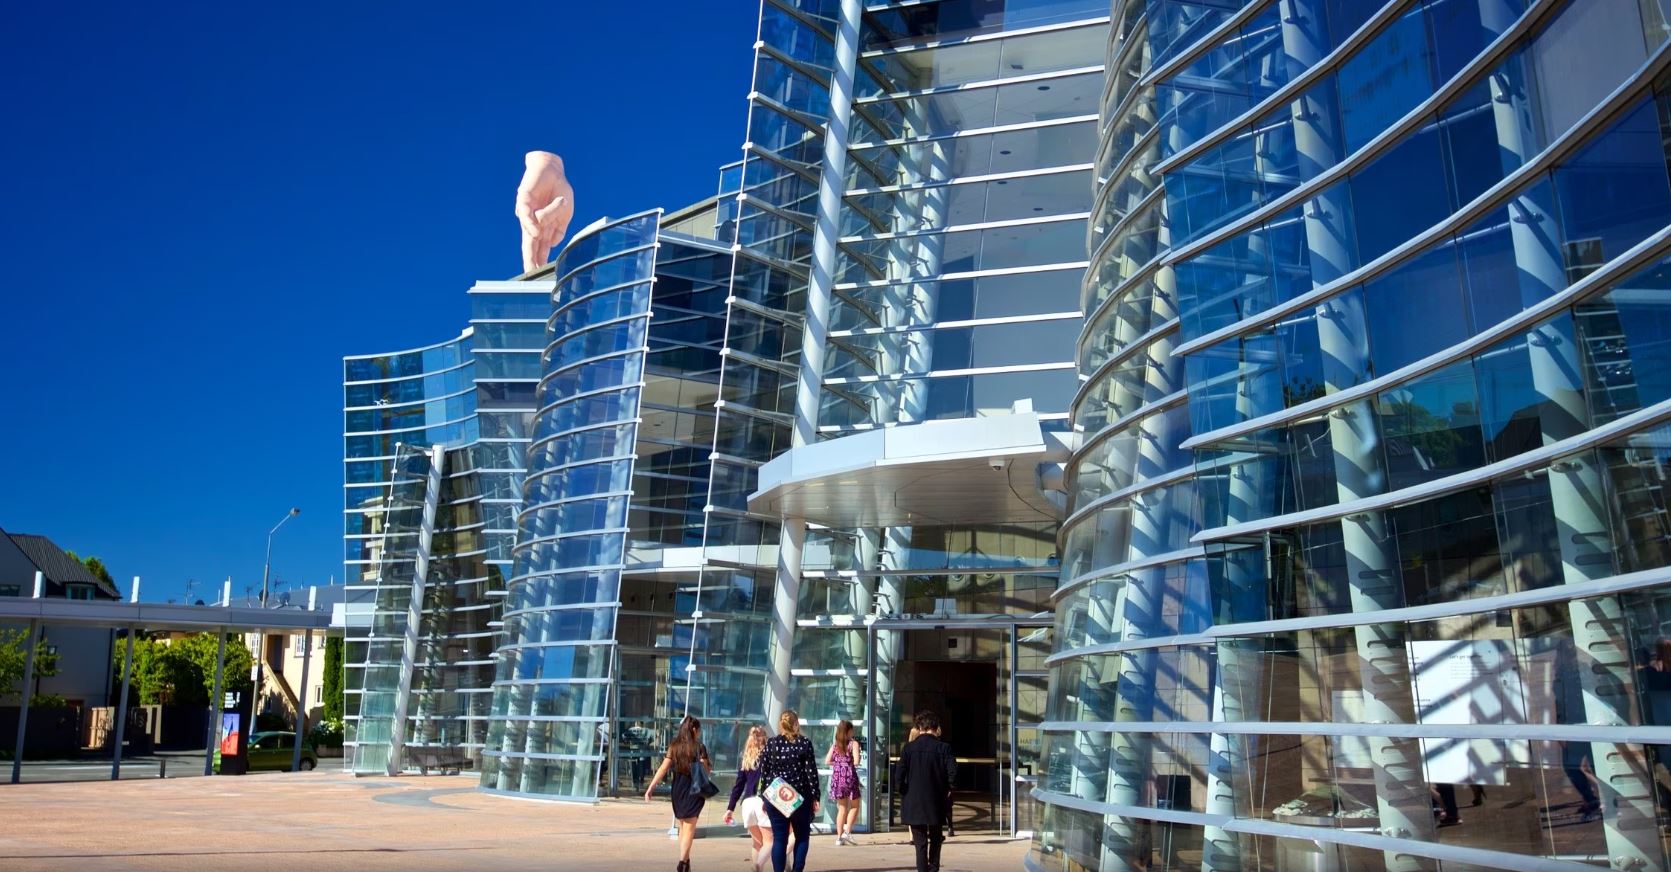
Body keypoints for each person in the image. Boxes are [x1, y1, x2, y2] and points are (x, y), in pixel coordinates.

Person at [644, 715, 712, 872]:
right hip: (694, 789)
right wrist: (705, 764)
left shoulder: (674, 746)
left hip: (678, 789)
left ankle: (686, 862)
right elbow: (706, 771)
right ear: (693, 729)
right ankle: (682, 863)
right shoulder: (699, 747)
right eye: (699, 730)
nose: (699, 733)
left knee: (683, 826)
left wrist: (651, 787)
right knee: (689, 828)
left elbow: (663, 768)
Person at [759, 709, 821, 872]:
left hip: (777, 796)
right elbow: (811, 772)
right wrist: (816, 795)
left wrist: (764, 797)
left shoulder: (771, 744)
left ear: (781, 725)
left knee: (779, 839)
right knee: (802, 837)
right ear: (796, 724)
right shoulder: (804, 743)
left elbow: (764, 772)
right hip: (800, 796)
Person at [897, 710, 956, 872]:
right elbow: (952, 772)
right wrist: (949, 788)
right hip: (936, 799)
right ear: (935, 727)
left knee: (920, 842)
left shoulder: (908, 748)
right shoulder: (944, 748)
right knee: (936, 837)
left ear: (919, 727)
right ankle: (933, 867)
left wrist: (903, 791)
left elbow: (899, 774)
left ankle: (922, 870)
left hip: (913, 799)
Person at [726, 725, 774, 870]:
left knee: (757, 843)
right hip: (761, 802)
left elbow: (738, 786)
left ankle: (757, 867)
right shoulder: (769, 757)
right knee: (770, 841)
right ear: (765, 738)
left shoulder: (746, 758)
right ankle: (757, 865)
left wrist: (730, 808)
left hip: (747, 803)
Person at [826, 719, 862, 845]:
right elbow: (856, 761)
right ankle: (847, 832)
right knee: (855, 806)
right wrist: (848, 762)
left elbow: (827, 761)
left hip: (838, 778)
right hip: (850, 777)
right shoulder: (853, 744)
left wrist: (838, 763)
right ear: (849, 731)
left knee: (842, 808)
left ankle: (839, 838)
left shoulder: (835, 745)